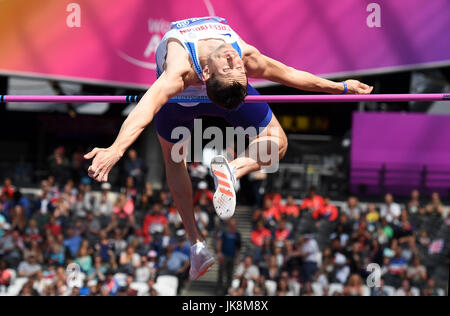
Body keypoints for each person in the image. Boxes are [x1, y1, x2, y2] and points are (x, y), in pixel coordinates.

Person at [83, 16, 373, 280]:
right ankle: (206, 222)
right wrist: (116, 149)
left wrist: (341, 88)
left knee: (272, 143)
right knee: (184, 158)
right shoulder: (191, 67)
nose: (234, 60)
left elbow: (288, 74)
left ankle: (226, 183)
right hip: (184, 97)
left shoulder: (216, 65)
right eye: (232, 65)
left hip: (203, 96)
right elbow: (145, 107)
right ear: (206, 72)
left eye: (234, 66)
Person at [216, 219, 241, 295]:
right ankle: (219, 289)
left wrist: (237, 257)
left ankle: (228, 289)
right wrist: (219, 252)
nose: (233, 225)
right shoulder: (224, 232)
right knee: (221, 272)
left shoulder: (237, 234)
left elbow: (238, 247)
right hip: (224, 256)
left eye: (234, 224)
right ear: (229, 224)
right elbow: (220, 242)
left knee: (230, 274)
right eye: (231, 224)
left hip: (232, 256)